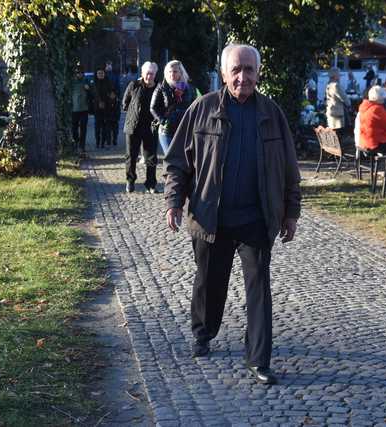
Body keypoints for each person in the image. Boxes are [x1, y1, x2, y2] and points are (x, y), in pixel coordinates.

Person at [164, 43, 301, 385]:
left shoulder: (272, 113)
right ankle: (204, 331)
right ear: (223, 73)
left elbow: (289, 168)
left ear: (258, 73)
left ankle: (259, 359)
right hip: (213, 216)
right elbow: (177, 162)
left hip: (257, 218)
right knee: (211, 282)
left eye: (249, 70)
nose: (243, 77)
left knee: (259, 288)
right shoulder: (202, 109)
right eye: (236, 70)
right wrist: (174, 201)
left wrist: (291, 212)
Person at [122, 61, 159, 193]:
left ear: (155, 74)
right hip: (133, 125)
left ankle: (151, 183)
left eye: (152, 74)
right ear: (142, 73)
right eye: (147, 73)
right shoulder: (134, 85)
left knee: (151, 157)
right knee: (131, 156)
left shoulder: (158, 88)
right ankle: (130, 181)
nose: (149, 76)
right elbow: (124, 103)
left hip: (150, 126)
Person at [151, 60, 195, 155]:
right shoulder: (161, 87)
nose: (172, 74)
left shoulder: (189, 88)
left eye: (175, 71)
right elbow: (153, 108)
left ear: (181, 72)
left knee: (183, 159)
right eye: (169, 72)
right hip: (167, 130)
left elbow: (195, 106)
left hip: (184, 129)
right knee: (170, 158)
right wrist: (163, 121)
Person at [91, 68, 114, 149]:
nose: (100, 75)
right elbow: (93, 94)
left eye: (102, 73)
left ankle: (103, 142)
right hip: (97, 107)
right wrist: (98, 102)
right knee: (97, 125)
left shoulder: (108, 82)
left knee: (105, 126)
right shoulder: (94, 82)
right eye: (99, 73)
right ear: (96, 74)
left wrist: (110, 98)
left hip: (107, 107)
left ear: (104, 74)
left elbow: (112, 92)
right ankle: (97, 142)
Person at [71, 67, 90, 155]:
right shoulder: (72, 83)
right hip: (74, 109)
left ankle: (82, 146)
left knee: (83, 128)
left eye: (81, 73)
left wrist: (88, 89)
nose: (79, 74)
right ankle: (76, 142)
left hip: (84, 109)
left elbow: (92, 92)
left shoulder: (86, 81)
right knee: (74, 128)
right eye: (78, 73)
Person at [325, 68, 351, 133]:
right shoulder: (336, 85)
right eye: (339, 75)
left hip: (331, 111)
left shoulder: (328, 84)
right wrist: (349, 103)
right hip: (337, 113)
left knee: (333, 133)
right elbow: (344, 98)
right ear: (335, 76)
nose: (340, 76)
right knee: (338, 134)